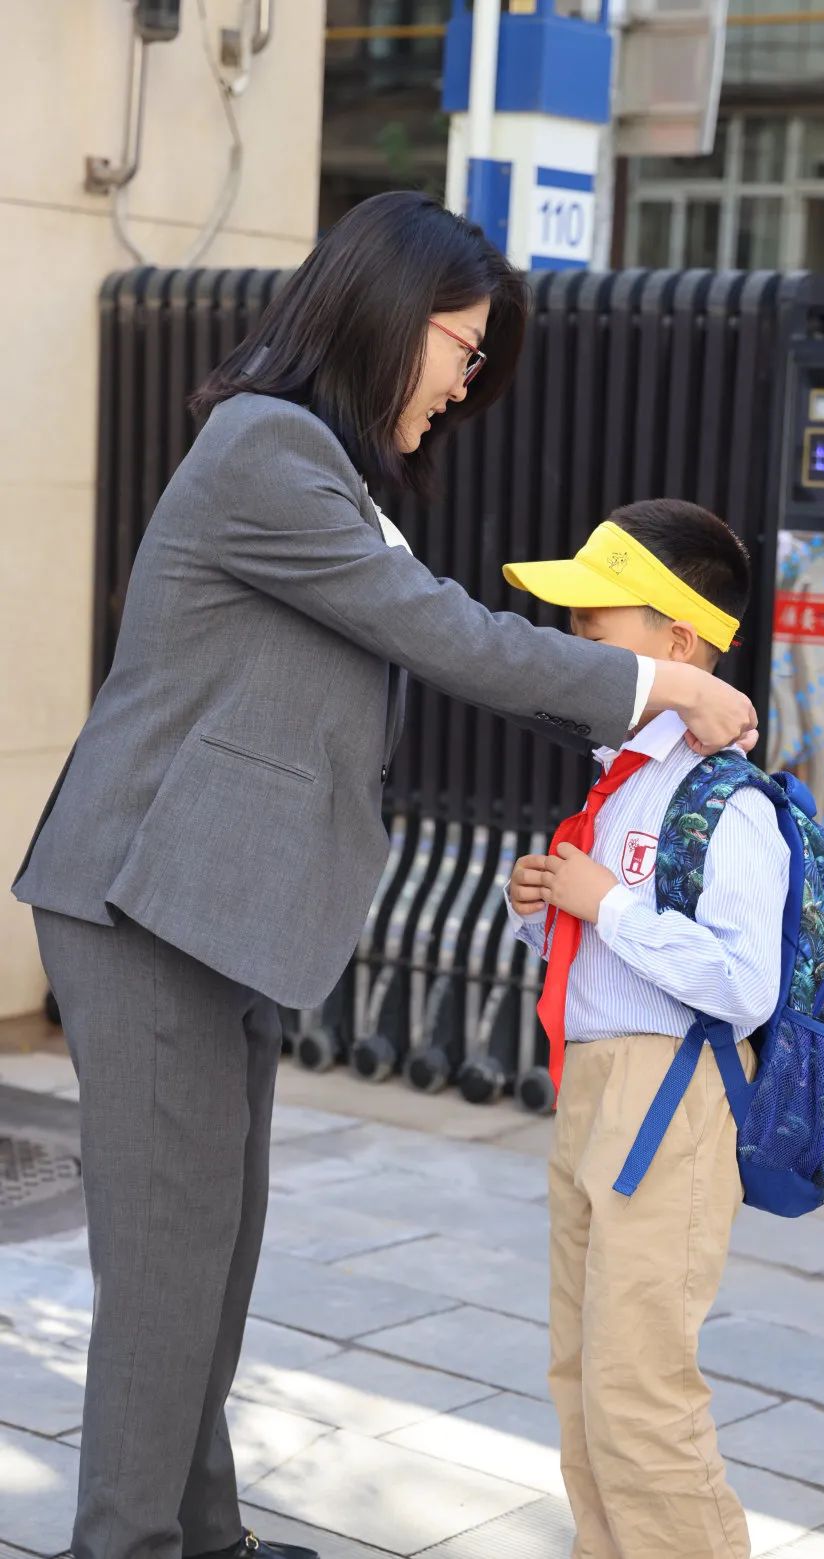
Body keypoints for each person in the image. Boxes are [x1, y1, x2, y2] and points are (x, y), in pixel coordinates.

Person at [10, 195, 756, 1559]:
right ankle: (125, 1541)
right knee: (171, 1262)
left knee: (211, 1252)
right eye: (463, 348)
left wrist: (642, 707)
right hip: (143, 895)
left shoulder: (316, 468)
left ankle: (202, 1530)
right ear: (385, 318)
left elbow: (427, 641)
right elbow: (438, 629)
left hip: (205, 900)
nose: (465, 386)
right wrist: (657, 679)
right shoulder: (267, 448)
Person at [504, 499, 788, 1559]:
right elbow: (598, 951)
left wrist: (602, 904)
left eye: (595, 624)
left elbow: (743, 984)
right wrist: (543, 908)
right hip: (595, 1091)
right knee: (581, 1380)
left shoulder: (727, 800)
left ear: (679, 643)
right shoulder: (618, 784)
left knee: (640, 1392)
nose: (573, 645)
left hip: (669, 1099)